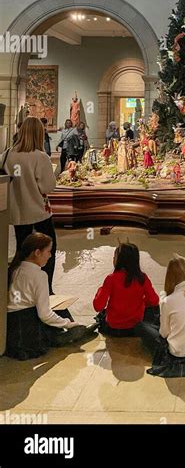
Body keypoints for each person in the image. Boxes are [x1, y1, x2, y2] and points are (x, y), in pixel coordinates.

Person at [6, 233, 97, 360]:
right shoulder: (39, 275)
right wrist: (67, 324)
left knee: (56, 305)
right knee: (59, 308)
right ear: (37, 252)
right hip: (27, 328)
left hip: (11, 324)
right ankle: (70, 330)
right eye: (48, 251)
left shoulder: (15, 268)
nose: (50, 255)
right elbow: (44, 314)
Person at [1, 117, 58, 292]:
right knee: (48, 250)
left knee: (22, 252)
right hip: (38, 213)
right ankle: (44, 289)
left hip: (17, 213)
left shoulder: (7, 154)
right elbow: (48, 187)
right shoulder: (40, 157)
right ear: (39, 134)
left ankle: (21, 288)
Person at [93, 242, 160, 336]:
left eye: (114, 257)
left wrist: (101, 290)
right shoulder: (142, 278)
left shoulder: (111, 279)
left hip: (114, 329)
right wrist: (142, 302)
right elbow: (155, 301)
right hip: (135, 328)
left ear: (119, 260)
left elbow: (98, 306)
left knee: (100, 316)